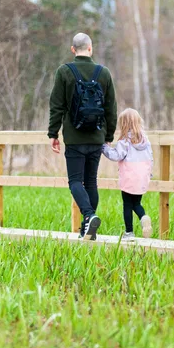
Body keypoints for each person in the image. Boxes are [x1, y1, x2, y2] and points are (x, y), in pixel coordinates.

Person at [48, 32, 117, 240]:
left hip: (74, 138)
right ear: (90, 48)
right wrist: (109, 135)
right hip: (96, 137)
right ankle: (88, 232)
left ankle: (89, 216)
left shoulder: (64, 72)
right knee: (91, 182)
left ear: (72, 50)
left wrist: (53, 133)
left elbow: (56, 105)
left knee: (75, 181)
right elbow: (111, 108)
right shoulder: (103, 73)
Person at [102, 108, 153, 241]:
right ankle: (143, 217)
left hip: (129, 177)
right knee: (136, 203)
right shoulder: (145, 140)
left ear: (123, 124)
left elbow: (117, 155)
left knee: (127, 204)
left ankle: (129, 233)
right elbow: (150, 158)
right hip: (142, 177)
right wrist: (149, 173)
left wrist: (104, 147)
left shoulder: (125, 141)